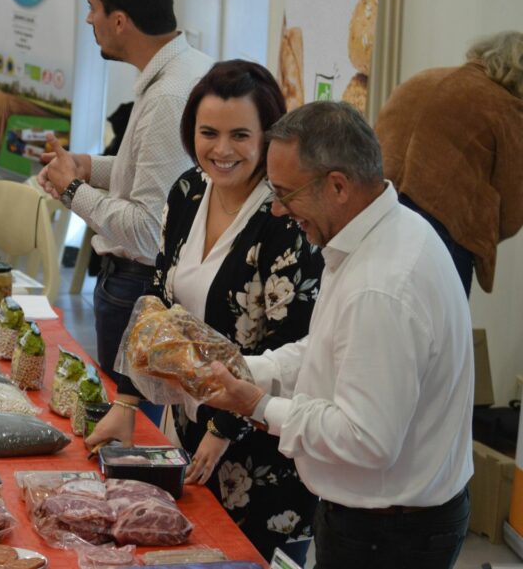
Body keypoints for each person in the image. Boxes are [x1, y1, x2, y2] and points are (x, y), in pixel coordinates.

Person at [203, 101, 473, 569]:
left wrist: (259, 407)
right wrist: (252, 370)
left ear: (338, 186)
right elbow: (330, 349)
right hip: (387, 521)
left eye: (286, 193)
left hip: (388, 536)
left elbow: (365, 438)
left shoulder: (381, 285)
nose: (278, 208)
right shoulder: (375, 233)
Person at [84, 60, 322, 562]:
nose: (222, 150)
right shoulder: (189, 191)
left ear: (268, 137)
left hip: (261, 443)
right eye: (208, 133)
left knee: (240, 556)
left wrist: (223, 428)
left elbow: (290, 343)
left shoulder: (283, 219)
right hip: (188, 424)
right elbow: (157, 303)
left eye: (240, 134)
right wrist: (127, 402)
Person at [38, 0, 213, 421]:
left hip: (136, 288)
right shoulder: (182, 70)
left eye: (93, 8)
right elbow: (146, 172)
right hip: (137, 286)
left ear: (119, 21)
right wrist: (87, 166)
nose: (88, 19)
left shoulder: (169, 96)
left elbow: (145, 229)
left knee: (129, 438)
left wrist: (73, 189)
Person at [375, 30, 523, 297]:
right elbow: (513, 210)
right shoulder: (506, 107)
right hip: (441, 231)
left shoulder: (422, 79)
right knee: (438, 332)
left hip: (375, 213)